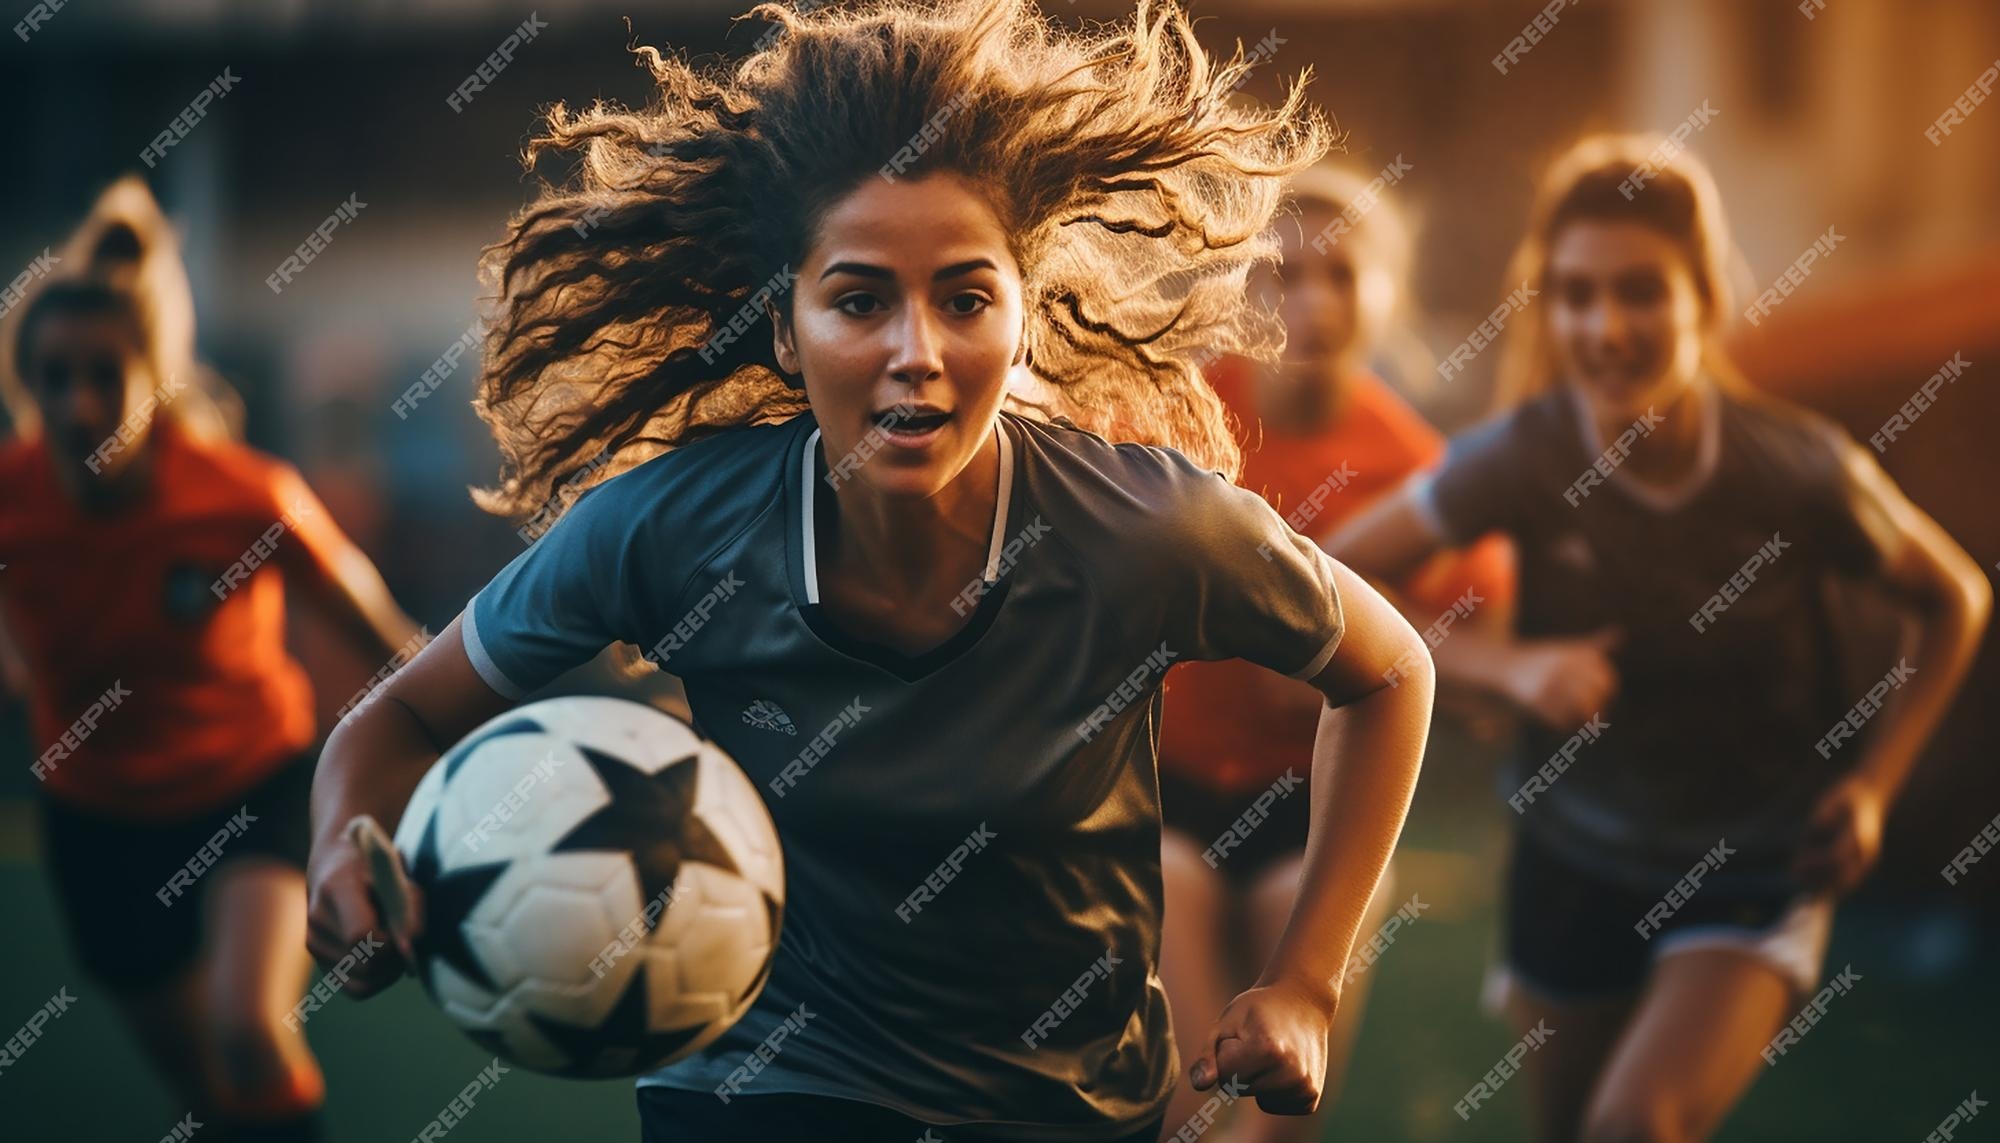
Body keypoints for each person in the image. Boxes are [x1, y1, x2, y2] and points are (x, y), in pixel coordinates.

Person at [302, 1, 1438, 1140]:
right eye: (857, 301)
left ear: (1023, 321)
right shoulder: (665, 530)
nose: (915, 352)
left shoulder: (1140, 531)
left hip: (1062, 1110)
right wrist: (342, 849)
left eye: (963, 298)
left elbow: (1389, 674)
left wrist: (1303, 984)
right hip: (760, 1089)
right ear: (786, 332)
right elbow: (398, 716)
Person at [1328, 135, 1991, 1143]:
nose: (1604, 326)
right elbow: (1335, 571)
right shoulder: (1520, 453)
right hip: (1569, 860)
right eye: (1575, 293)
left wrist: (1872, 787)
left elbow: (1951, 596)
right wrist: (1510, 667)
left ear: (1703, 300)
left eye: (1640, 291)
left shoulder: (1798, 473)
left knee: (1635, 1125)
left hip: (1753, 872)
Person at [0, 179, 422, 1142]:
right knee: (205, 1099)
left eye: (103, 375)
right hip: (96, 823)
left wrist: (481, 740)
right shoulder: (11, 501)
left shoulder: (245, 497)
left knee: (249, 1037)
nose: (79, 403)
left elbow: (390, 641)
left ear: (152, 380)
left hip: (250, 792)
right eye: (53, 377)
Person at [1154, 163, 1513, 1143]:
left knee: (1278, 1107)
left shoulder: (1408, 470)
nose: (1308, 301)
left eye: (1341, 275)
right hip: (1168, 789)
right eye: (1281, 274)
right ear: (1240, 287)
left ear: (1385, 294)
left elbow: (1470, 645)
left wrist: (1358, 655)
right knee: (1187, 1098)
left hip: (1309, 803)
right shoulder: (1180, 421)